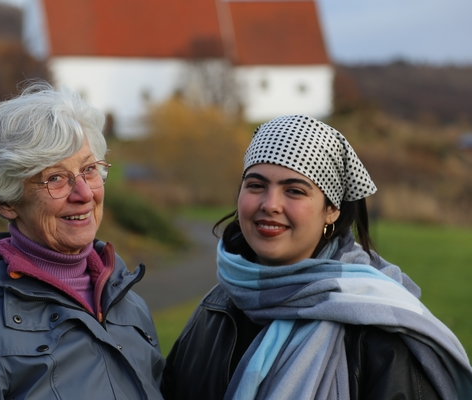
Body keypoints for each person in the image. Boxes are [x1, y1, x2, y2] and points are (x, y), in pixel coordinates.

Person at [163, 114, 472, 400]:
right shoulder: (214, 311)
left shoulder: (379, 334)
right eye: (256, 185)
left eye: (294, 191)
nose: (270, 204)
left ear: (332, 209)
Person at [0, 81, 165, 399]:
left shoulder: (127, 303)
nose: (84, 194)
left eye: (88, 169)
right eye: (55, 178)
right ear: (6, 201)